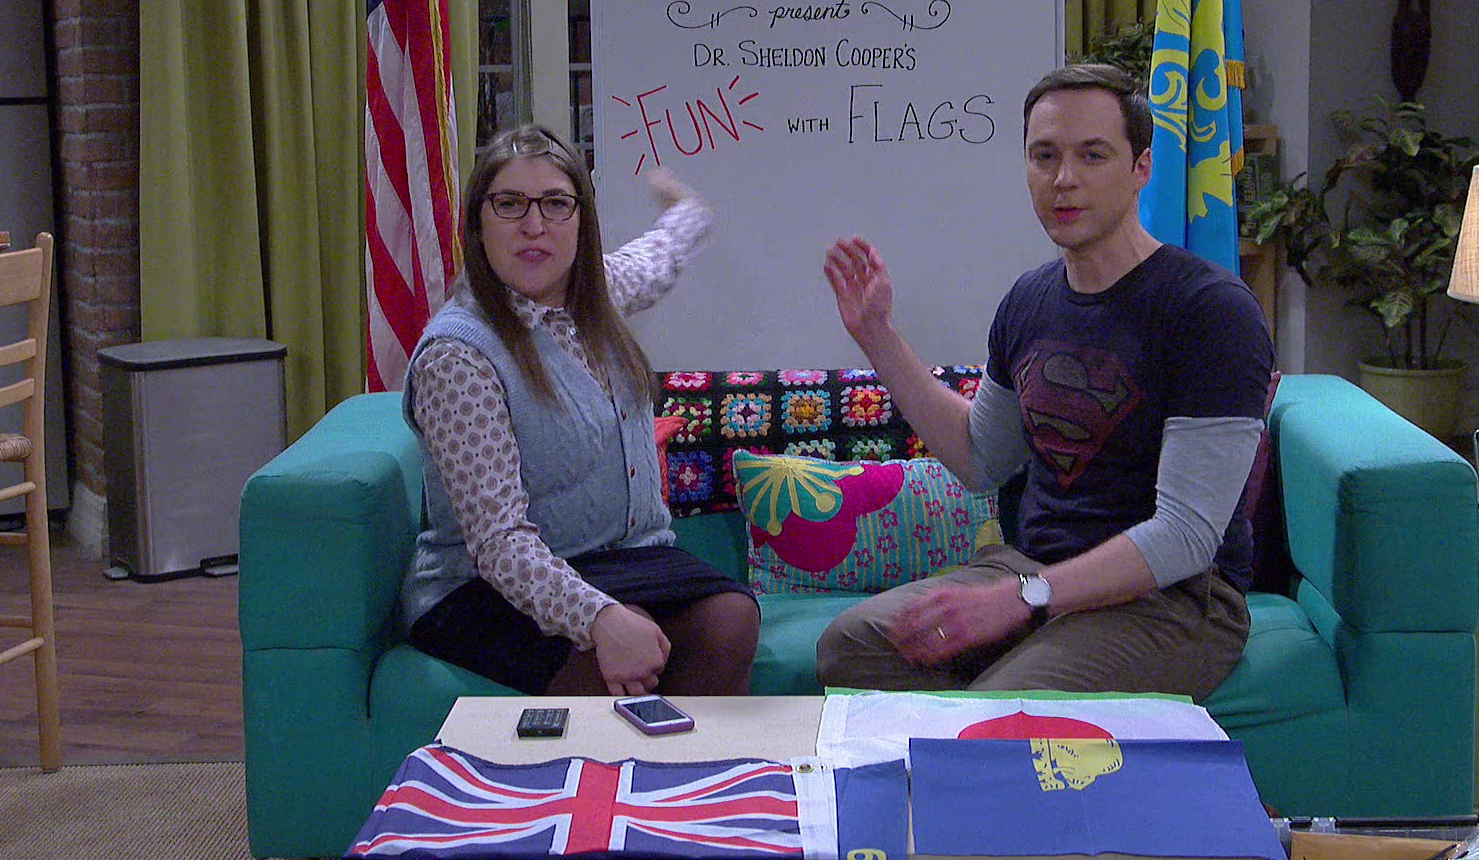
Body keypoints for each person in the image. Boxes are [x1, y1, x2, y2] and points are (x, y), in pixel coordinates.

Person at [816, 63, 1273, 696]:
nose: (1064, 179)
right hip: (1034, 567)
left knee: (999, 711)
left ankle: (984, 729)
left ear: (1141, 167)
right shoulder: (1029, 300)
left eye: (1093, 155)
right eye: (1044, 156)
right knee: (851, 646)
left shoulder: (1211, 310)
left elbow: (1187, 536)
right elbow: (981, 459)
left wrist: (1025, 598)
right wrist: (877, 334)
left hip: (1174, 597)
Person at [400, 124, 760, 698]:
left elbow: (658, 258)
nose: (534, 225)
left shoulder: (595, 295)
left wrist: (686, 209)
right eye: (509, 203)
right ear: (478, 223)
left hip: (616, 560)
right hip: (482, 584)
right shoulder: (458, 357)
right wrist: (600, 618)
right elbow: (497, 542)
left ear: (580, 222)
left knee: (730, 619)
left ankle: (689, 759)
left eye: (555, 203)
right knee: (615, 665)